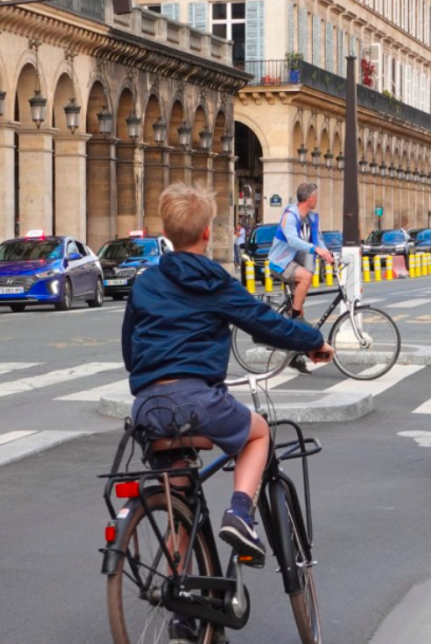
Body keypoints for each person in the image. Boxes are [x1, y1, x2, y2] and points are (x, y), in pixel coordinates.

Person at [123, 183, 334, 571]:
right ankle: (239, 515)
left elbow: (130, 353)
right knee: (258, 434)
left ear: (166, 233)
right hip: (197, 404)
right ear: (207, 232)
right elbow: (264, 323)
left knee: (180, 510)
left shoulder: (145, 283)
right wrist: (314, 340)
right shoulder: (214, 281)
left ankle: (184, 618)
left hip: (149, 409)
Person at [265, 183, 335, 373]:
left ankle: (295, 356)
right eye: (316, 196)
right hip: (281, 262)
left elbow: (317, 240)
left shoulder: (312, 217)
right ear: (310, 198)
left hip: (297, 262)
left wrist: (327, 254)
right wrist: (315, 249)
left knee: (300, 313)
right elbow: (293, 240)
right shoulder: (290, 216)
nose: (318, 199)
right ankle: (295, 315)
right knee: (306, 277)